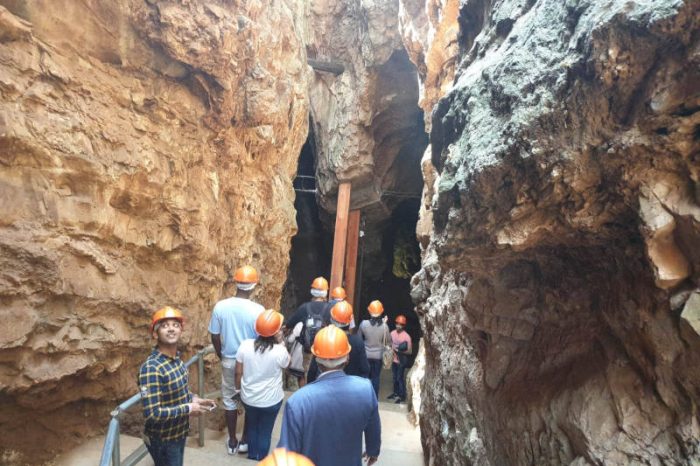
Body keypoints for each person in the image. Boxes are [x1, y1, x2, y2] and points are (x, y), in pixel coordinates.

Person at [278, 325, 381, 466]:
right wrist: (373, 451)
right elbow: (373, 430)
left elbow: (286, 454)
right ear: (347, 358)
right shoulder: (365, 390)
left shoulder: (298, 401)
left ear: (317, 361)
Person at [138, 306, 216, 466]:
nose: (171, 329)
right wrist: (188, 408)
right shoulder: (152, 368)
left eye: (175, 325)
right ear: (155, 333)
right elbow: (152, 414)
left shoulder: (177, 361)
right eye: (165, 326)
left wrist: (194, 398)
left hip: (179, 433)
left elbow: (178, 391)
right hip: (163, 440)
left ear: (181, 330)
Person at [208, 265, 264, 455]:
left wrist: (220, 353)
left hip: (229, 359)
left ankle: (231, 440)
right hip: (251, 361)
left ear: (236, 282)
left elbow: (214, 335)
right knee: (249, 400)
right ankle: (245, 441)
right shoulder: (258, 310)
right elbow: (261, 339)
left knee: (229, 400)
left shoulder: (221, 306)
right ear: (254, 285)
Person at [235, 310, 290, 460]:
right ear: (276, 331)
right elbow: (286, 365)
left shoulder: (245, 346)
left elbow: (238, 372)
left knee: (252, 427)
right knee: (265, 431)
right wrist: (282, 342)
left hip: (249, 398)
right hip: (271, 400)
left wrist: (238, 390)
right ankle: (262, 460)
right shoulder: (280, 351)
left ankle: (252, 457)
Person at [307, 301, 369, 383]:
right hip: (350, 388)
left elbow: (312, 371)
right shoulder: (357, 341)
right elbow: (365, 369)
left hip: (325, 386)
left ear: (331, 318)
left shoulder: (323, 337)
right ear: (350, 321)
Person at [284, 277, 329, 387]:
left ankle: (307, 395)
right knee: (323, 373)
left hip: (308, 349)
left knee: (306, 373)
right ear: (326, 292)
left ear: (312, 291)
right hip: (325, 349)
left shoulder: (305, 308)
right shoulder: (330, 308)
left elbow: (290, 323)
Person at [358, 300, 391, 397]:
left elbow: (359, 340)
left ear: (369, 311)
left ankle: (364, 397)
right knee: (375, 378)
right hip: (378, 356)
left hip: (366, 355)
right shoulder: (385, 326)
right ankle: (374, 398)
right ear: (381, 312)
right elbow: (388, 342)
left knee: (365, 378)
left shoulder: (364, 324)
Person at [388, 314, 412, 404]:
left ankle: (402, 396)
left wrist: (399, 351)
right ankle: (395, 393)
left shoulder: (406, 337)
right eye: (397, 323)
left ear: (404, 326)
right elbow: (389, 344)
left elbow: (409, 351)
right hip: (394, 360)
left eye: (401, 324)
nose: (398, 326)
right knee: (394, 377)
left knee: (399, 378)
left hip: (401, 361)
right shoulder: (392, 333)